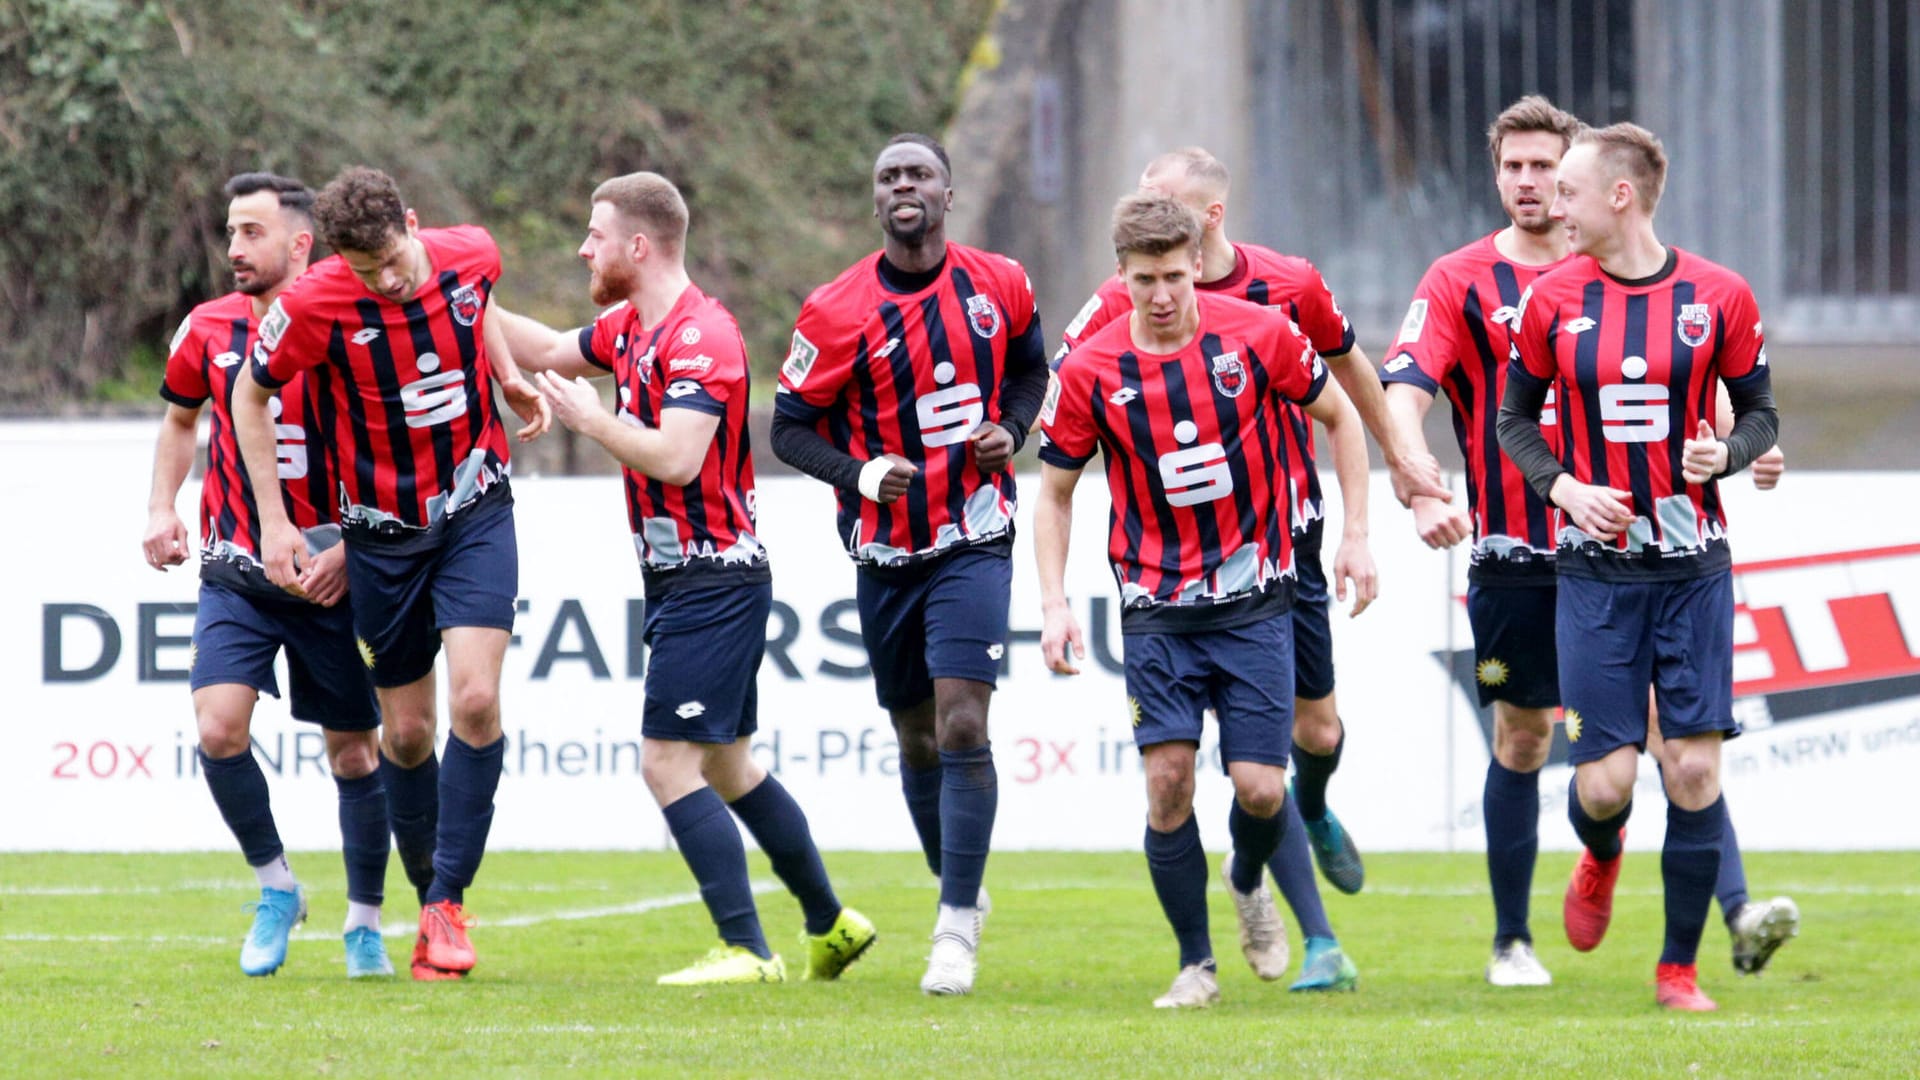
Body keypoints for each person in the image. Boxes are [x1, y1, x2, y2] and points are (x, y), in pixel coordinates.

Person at [1386, 98, 1795, 988]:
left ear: (1602, 187)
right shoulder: (1468, 283)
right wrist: (1414, 472)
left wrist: (1737, 450)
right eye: (1518, 169)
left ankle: (1712, 931)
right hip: (1512, 563)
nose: (1537, 188)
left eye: (1550, 170)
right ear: (1499, 177)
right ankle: (1512, 938)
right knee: (1525, 735)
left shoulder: (1687, 288)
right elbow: (1421, 390)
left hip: (1648, 558)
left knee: (1673, 745)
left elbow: (1712, 389)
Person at [493, 172, 876, 985]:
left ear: (638, 245)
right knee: (731, 767)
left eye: (595, 236)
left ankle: (746, 949)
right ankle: (832, 924)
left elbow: (676, 456)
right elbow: (547, 348)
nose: (583, 249)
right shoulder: (629, 327)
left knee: (667, 764)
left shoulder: (704, 336)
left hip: (714, 579)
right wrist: (449, 290)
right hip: (685, 581)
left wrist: (594, 422)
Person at [1059, 147, 1403, 990]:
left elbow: (1346, 391)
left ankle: (1278, 845)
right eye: (1146, 277)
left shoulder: (1274, 306)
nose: (1161, 291)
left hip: (1272, 572)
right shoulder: (1103, 337)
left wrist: (1374, 511)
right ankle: (1235, 954)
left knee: (1289, 759)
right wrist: (1052, 594)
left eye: (1174, 272)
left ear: (1204, 233)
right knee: (1185, 778)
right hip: (1160, 597)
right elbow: (1058, 459)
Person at [233, 165, 551, 980]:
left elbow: (477, 311)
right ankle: (426, 903)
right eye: (368, 271)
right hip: (377, 538)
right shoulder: (314, 306)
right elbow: (248, 396)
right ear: (339, 261)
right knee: (406, 735)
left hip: (475, 508)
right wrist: (274, 521)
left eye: (396, 260)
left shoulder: (472, 251)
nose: (390, 280)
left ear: (414, 222)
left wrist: (507, 375)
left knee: (476, 701)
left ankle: (447, 904)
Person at [1495, 122, 1779, 1011]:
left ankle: (1677, 971)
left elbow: (1763, 417)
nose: (1555, 205)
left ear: (1620, 196)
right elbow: (1515, 422)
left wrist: (1725, 458)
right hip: (1592, 575)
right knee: (1608, 783)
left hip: (1693, 569)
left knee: (1693, 771)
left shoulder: (1720, 293)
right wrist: (1566, 491)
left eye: (1569, 190)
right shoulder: (1549, 299)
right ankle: (1602, 853)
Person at [770, 133, 1050, 996]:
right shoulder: (834, 309)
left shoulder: (1000, 282)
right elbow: (787, 429)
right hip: (886, 551)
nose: (903, 185)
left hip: (973, 532)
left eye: (918, 173)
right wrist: (857, 474)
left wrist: (1013, 428)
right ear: (877, 198)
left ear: (948, 192)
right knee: (917, 734)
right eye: (888, 174)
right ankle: (956, 885)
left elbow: (1032, 374)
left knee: (965, 722)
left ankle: (955, 929)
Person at [143, 172, 390, 979]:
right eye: (231, 232)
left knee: (354, 755)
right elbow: (181, 419)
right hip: (237, 574)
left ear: (301, 242)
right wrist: (161, 509)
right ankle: (276, 887)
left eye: (252, 232)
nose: (235, 249)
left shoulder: (348, 327)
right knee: (217, 727)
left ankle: (363, 924)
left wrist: (354, 548)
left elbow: (392, 452)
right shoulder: (209, 328)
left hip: (331, 580)